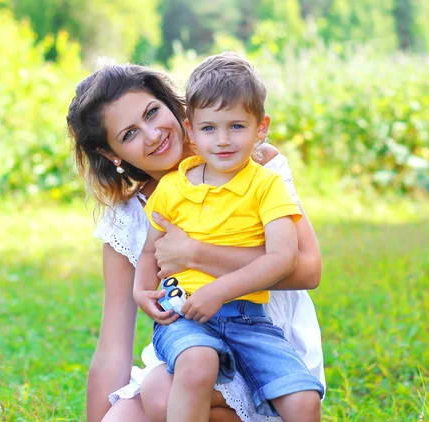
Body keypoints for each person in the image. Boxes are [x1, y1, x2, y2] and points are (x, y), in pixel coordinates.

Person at [66, 56, 325, 422]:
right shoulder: (128, 217)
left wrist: (194, 253)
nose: (152, 134)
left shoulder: (255, 164)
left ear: (173, 107)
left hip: (262, 335)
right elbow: (112, 348)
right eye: (129, 134)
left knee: (160, 394)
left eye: (152, 113)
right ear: (112, 154)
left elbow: (308, 269)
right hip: (189, 346)